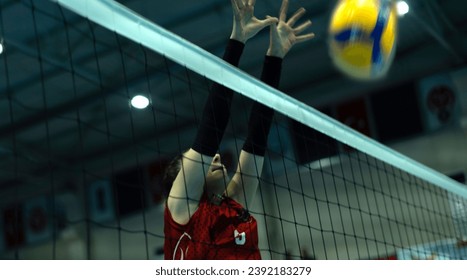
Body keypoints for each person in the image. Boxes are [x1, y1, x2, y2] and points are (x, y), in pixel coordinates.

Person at [162, 0, 314, 260]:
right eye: (203, 158)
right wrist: (237, 41)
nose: (216, 156)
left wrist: (274, 57)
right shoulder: (181, 210)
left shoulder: (234, 207)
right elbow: (212, 128)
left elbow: (258, 135)